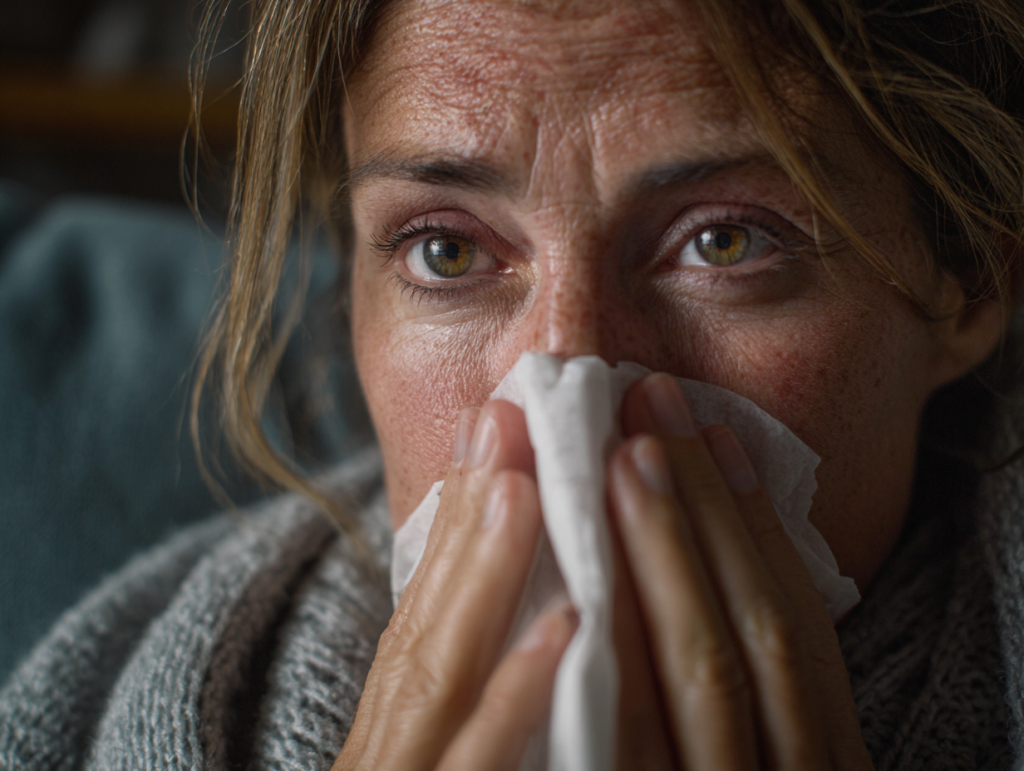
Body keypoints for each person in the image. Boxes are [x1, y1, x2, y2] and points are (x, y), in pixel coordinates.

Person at [2, 0, 1024, 768]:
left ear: (969, 281)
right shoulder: (83, 715)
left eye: (724, 241)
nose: (567, 377)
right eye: (444, 250)